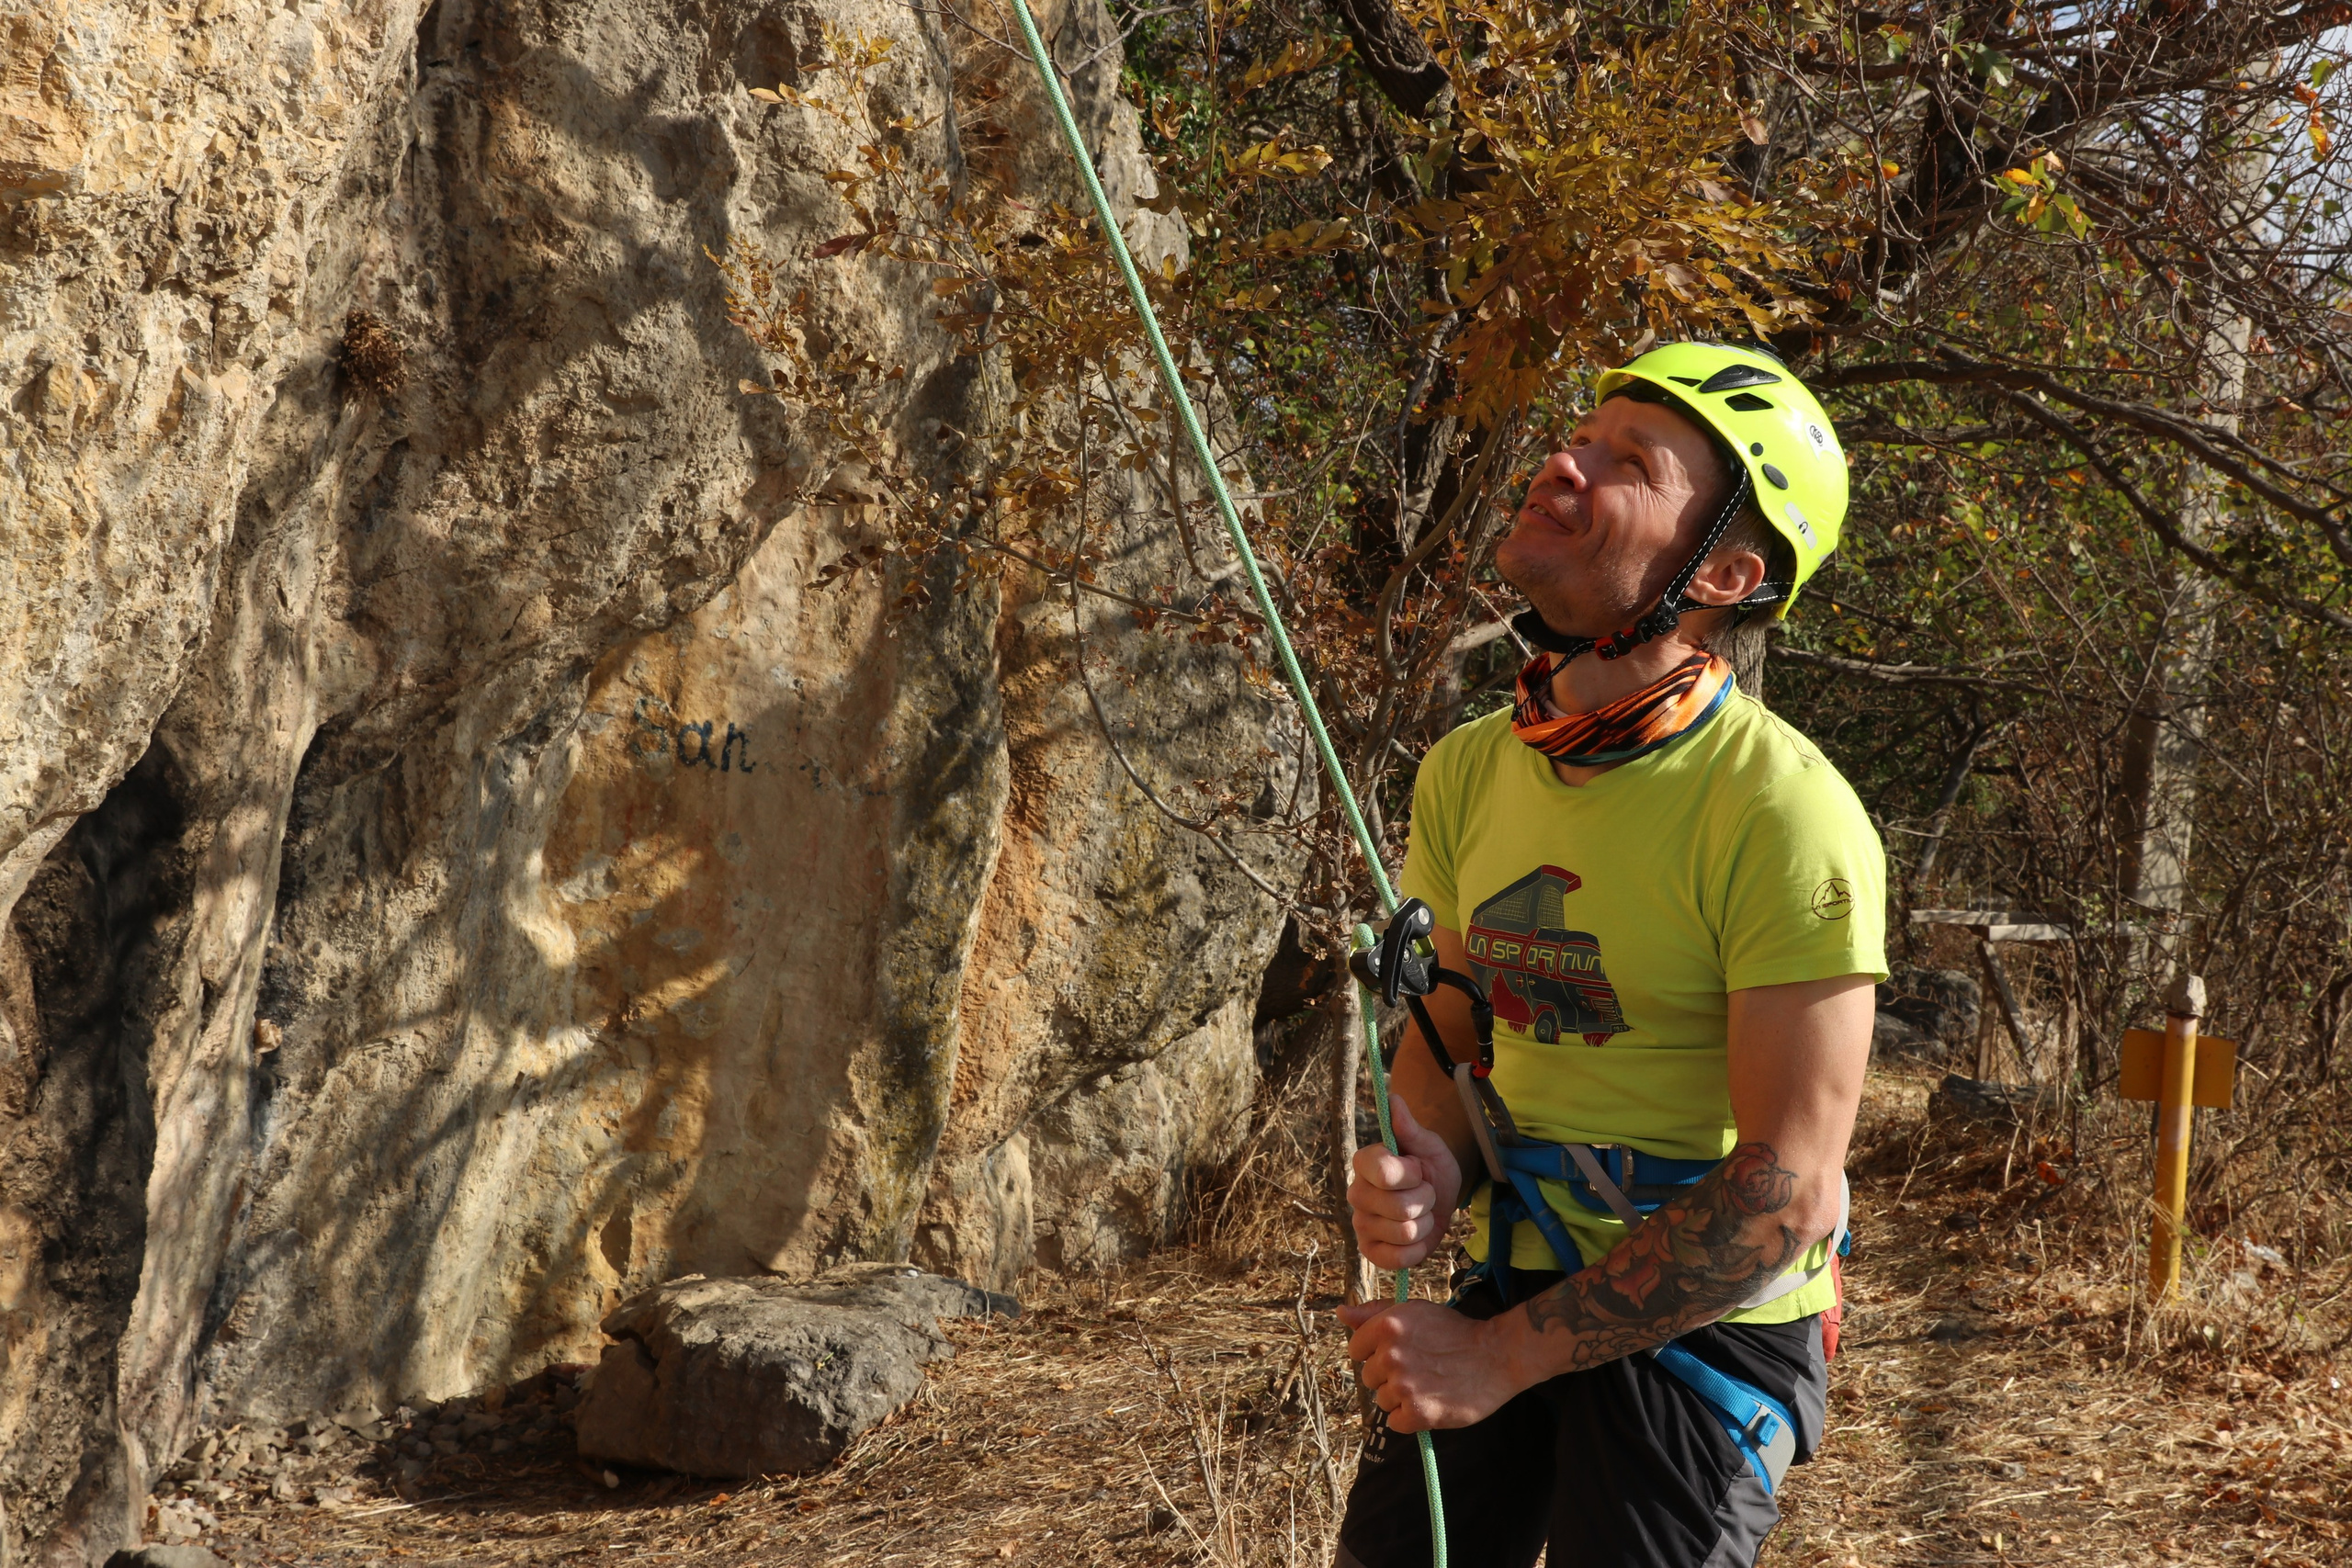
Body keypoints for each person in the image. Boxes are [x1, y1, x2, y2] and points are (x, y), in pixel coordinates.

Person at [1336, 342, 1886, 1568]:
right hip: (1521, 1270)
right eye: (1581, 435)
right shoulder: (1470, 770)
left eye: (1630, 461)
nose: (1564, 462)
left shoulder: (1783, 814)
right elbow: (1452, 1044)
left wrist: (1495, 1358)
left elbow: (1783, 1196)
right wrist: (1429, 1172)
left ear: (1725, 575)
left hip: (1709, 1327)